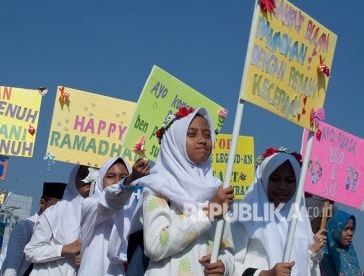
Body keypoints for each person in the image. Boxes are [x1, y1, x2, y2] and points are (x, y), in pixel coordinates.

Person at [127, 106, 234, 276]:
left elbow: (227, 249)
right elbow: (155, 246)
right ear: (174, 142)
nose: (202, 140)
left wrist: (225, 265)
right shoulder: (157, 189)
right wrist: (208, 212)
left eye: (207, 135)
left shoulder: (217, 190)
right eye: (191, 134)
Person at [232, 147, 322, 276]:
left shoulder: (300, 223)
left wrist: (311, 253)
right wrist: (266, 274)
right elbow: (229, 264)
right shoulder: (244, 217)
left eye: (290, 181)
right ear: (264, 178)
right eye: (275, 179)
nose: (282, 186)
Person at [78, 156, 150, 276]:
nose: (117, 181)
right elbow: (110, 201)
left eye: (123, 177)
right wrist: (130, 179)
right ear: (101, 180)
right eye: (110, 176)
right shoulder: (90, 206)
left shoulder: (136, 212)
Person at [23, 165, 93, 275]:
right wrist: (63, 249)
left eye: (93, 176)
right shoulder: (53, 214)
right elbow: (31, 252)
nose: (88, 180)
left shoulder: (99, 216)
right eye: (82, 175)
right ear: (72, 179)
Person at [0, 182, 68, 276]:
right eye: (54, 206)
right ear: (42, 203)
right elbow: (12, 266)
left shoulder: (61, 230)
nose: (57, 211)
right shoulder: (26, 226)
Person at [321, 210, 362, 276]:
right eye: (346, 229)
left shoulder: (350, 254)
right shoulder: (320, 257)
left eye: (351, 229)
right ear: (334, 229)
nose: (350, 233)